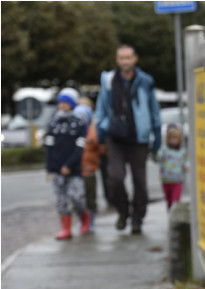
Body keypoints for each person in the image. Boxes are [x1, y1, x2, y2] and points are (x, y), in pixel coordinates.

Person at [95, 44, 162, 234]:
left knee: (140, 182)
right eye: (121, 58)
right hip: (115, 137)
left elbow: (154, 111)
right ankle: (123, 211)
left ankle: (137, 219)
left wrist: (156, 137)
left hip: (138, 138)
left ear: (135, 59)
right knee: (115, 177)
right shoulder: (108, 81)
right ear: (117, 60)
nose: (125, 61)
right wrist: (102, 132)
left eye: (128, 58)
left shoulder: (145, 82)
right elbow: (100, 109)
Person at [45, 88, 91, 240]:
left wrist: (69, 165)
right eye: (61, 103)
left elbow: (79, 148)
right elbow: (49, 147)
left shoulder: (78, 123)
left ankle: (84, 216)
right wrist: (49, 168)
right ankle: (66, 229)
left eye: (66, 103)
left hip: (73, 169)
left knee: (76, 197)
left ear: (72, 104)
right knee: (60, 200)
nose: (63, 106)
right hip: (57, 169)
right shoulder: (53, 123)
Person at [75, 99, 101, 233]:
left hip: (90, 171)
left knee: (91, 198)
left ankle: (90, 221)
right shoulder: (72, 134)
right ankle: (82, 220)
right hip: (76, 172)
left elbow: (100, 149)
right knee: (78, 198)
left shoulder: (93, 133)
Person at [155, 124, 189, 210]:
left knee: (175, 201)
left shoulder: (182, 152)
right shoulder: (164, 150)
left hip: (177, 180)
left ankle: (175, 217)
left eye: (175, 138)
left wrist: (186, 167)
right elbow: (158, 158)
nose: (173, 140)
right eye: (171, 138)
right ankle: (171, 216)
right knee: (169, 201)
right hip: (166, 180)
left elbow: (186, 162)